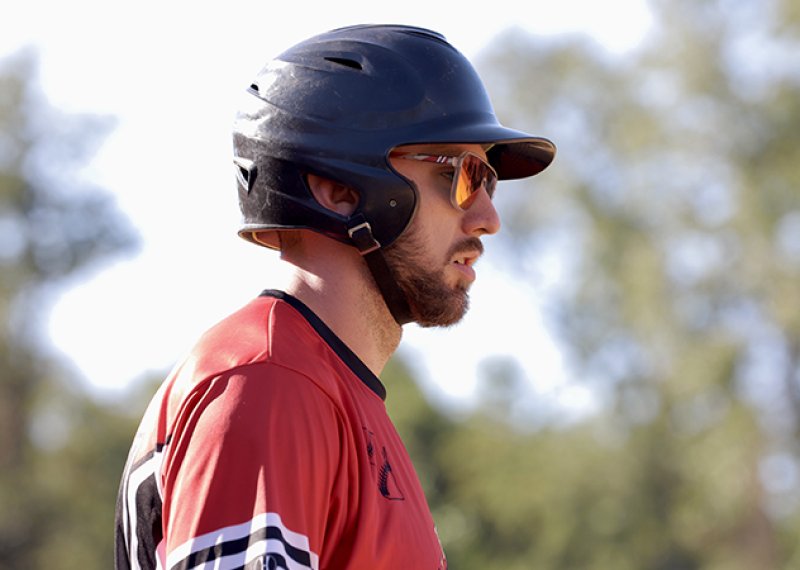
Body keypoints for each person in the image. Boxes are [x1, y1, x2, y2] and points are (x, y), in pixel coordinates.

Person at [115, 24, 555, 570]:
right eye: (463, 175)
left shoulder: (330, 392)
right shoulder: (269, 383)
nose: (488, 218)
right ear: (340, 188)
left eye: (489, 181)